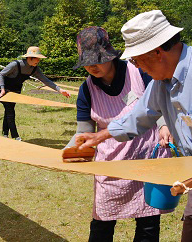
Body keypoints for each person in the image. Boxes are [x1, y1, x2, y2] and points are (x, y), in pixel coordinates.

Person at [75, 10, 192, 241]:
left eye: (136, 60)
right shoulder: (162, 82)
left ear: (157, 52)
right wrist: (99, 137)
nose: (137, 67)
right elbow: (138, 118)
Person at [66, 26, 173, 242]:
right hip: (111, 164)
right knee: (102, 223)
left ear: (110, 55)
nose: (91, 66)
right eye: (86, 62)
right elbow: (85, 131)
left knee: (148, 223)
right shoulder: (86, 90)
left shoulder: (140, 72)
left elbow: (159, 105)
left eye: (97, 59)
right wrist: (72, 148)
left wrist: (164, 125)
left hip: (147, 158)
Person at [0, 46, 70, 141]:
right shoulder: (15, 65)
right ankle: (16, 136)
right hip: (5, 90)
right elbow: (1, 74)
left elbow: (46, 81)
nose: (38, 61)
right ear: (29, 58)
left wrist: (60, 90)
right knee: (10, 112)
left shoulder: (34, 69)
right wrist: (2, 89)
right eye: (37, 58)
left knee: (9, 111)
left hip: (16, 90)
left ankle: (5, 133)